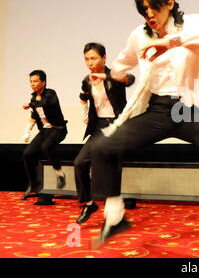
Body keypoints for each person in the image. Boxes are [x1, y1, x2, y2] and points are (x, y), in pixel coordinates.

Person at [89, 0, 199, 246]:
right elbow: (120, 66)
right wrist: (117, 77)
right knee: (102, 147)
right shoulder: (138, 35)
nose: (149, 14)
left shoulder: (191, 23)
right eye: (143, 9)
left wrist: (170, 42)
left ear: (169, 3)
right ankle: (114, 217)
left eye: (154, 7)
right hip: (158, 109)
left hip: (186, 108)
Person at [74, 43, 135, 224]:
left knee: (112, 166)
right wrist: (85, 114)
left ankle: (114, 211)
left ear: (104, 58)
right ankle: (89, 202)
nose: (90, 63)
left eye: (93, 58)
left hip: (117, 125)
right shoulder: (87, 80)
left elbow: (130, 79)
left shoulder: (114, 75)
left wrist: (107, 76)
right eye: (86, 59)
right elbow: (84, 96)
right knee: (80, 163)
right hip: (99, 126)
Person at [22, 70, 68, 204]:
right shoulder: (32, 98)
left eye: (35, 81)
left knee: (46, 147)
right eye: (31, 81)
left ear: (43, 82)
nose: (32, 84)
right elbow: (34, 116)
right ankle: (34, 184)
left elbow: (46, 103)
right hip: (45, 131)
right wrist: (27, 131)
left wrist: (31, 104)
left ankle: (60, 174)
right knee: (27, 153)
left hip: (58, 129)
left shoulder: (51, 94)